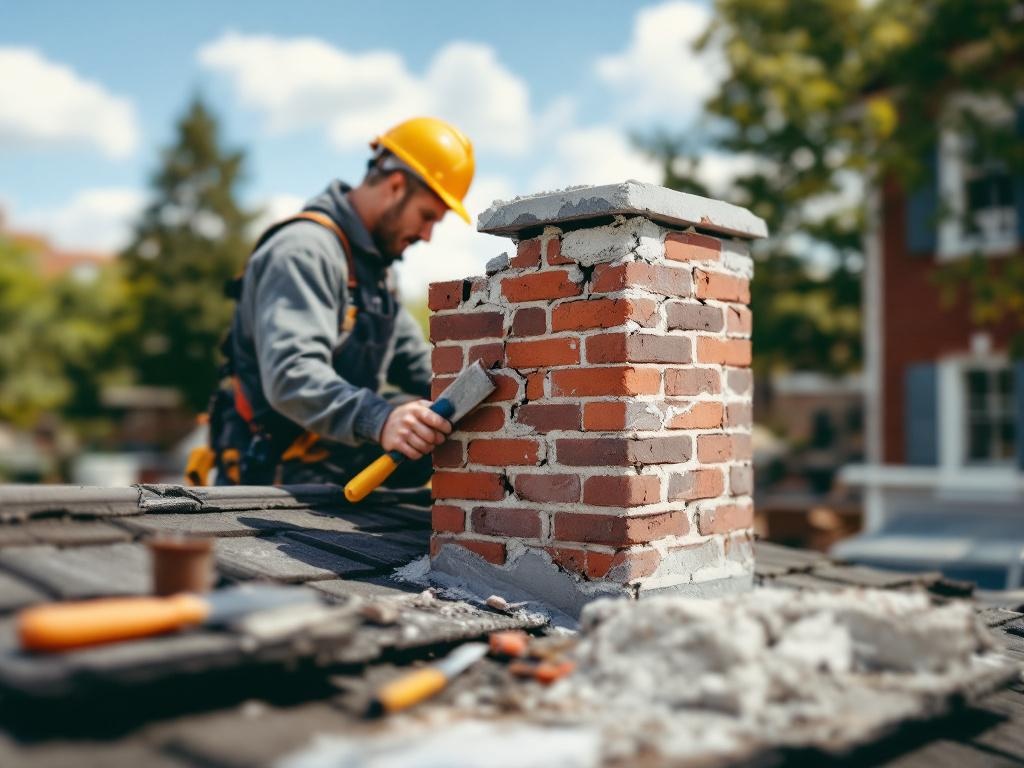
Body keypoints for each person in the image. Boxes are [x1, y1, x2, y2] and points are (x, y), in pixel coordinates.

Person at [190, 116, 474, 488]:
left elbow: (418, 365)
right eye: (426, 216)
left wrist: (479, 388)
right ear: (395, 186)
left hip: (325, 476)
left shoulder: (376, 273)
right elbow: (293, 374)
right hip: (267, 484)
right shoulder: (305, 251)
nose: (427, 235)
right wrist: (382, 420)